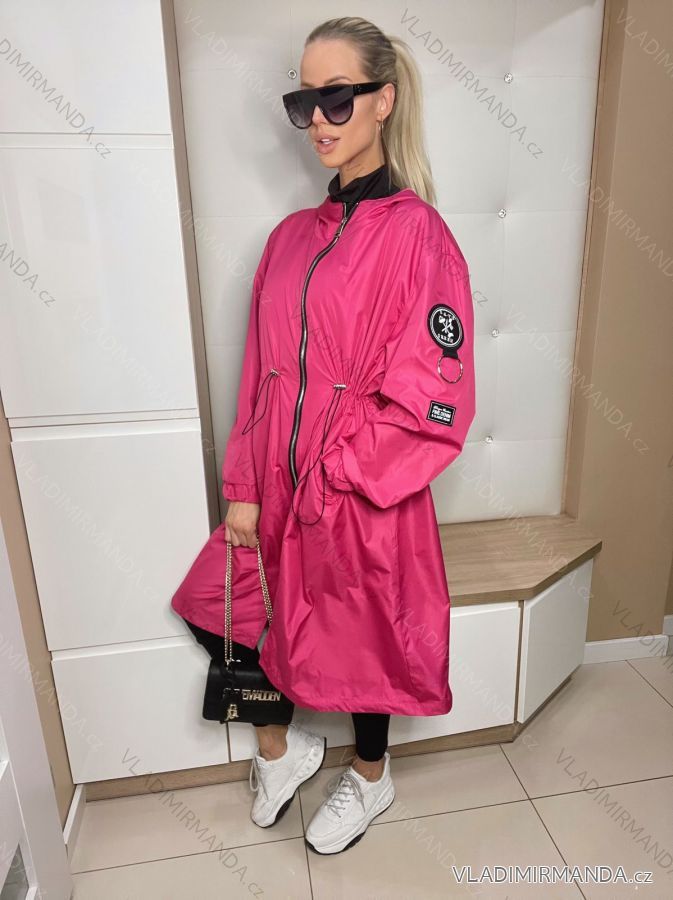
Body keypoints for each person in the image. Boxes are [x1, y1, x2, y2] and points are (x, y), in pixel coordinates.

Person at [171, 16, 476, 856]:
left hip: (358, 488)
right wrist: (244, 485)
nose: (317, 121)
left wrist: (341, 474)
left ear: (383, 100)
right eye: (303, 102)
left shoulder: (419, 237)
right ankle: (283, 752)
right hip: (274, 483)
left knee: (363, 636)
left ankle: (372, 777)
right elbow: (258, 376)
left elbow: (436, 394)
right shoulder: (287, 240)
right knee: (229, 611)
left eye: (335, 98)